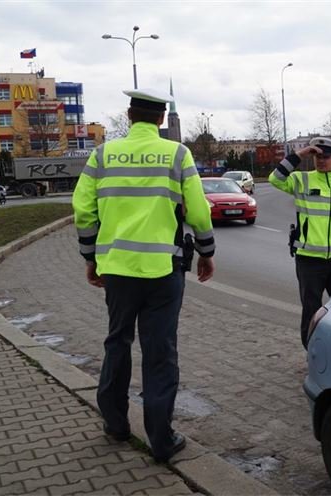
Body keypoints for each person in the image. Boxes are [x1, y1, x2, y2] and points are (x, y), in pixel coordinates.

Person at [71, 88, 216, 464]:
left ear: (129, 115)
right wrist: (206, 251)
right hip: (162, 272)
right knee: (160, 351)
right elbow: (198, 211)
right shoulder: (177, 154)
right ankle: (161, 441)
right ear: (162, 120)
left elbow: (83, 210)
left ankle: (116, 425)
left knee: (117, 341)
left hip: (117, 271)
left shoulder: (102, 154)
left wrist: (90, 257)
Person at [269, 137, 331, 349]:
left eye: (326, 157)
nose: (321, 160)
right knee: (311, 309)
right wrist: (300, 154)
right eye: (317, 156)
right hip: (309, 260)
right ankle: (312, 352)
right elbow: (275, 178)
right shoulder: (301, 180)